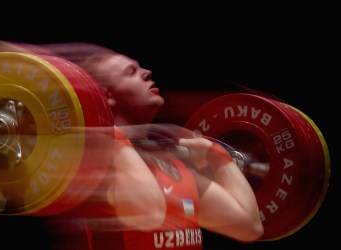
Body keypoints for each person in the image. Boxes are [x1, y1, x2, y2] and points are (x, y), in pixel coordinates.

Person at [46, 43, 264, 250]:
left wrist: (218, 157)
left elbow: (248, 227)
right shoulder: (95, 162)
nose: (147, 72)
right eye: (130, 72)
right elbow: (149, 213)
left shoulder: (170, 165)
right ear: (106, 96)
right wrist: (112, 137)